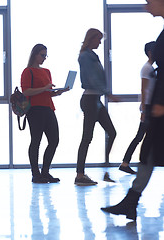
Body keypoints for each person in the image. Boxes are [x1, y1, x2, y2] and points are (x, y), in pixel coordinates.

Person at [101, 0, 164, 221]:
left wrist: (160, 102)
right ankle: (130, 202)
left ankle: (130, 202)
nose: (146, 7)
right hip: (157, 107)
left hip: (160, 107)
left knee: (149, 151)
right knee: (148, 153)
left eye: (149, 2)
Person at [21, 44, 69, 183]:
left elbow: (46, 93)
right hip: (35, 110)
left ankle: (45, 171)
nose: (44, 58)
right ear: (35, 55)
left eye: (45, 55)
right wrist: (44, 89)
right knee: (36, 141)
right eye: (42, 55)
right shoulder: (28, 71)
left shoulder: (47, 71)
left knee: (54, 140)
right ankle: (35, 174)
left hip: (48, 108)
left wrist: (57, 92)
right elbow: (26, 92)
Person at [74, 28, 117, 186]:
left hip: (96, 100)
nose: (100, 42)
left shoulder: (92, 55)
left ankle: (105, 169)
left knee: (112, 132)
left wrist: (105, 93)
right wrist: (108, 93)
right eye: (98, 39)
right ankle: (79, 175)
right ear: (90, 39)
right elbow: (92, 78)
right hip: (90, 99)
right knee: (87, 138)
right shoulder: (85, 56)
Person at [119, 41, 157, 175]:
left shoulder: (150, 68)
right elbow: (144, 89)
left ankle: (125, 163)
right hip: (148, 107)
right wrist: (144, 110)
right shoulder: (147, 68)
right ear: (151, 52)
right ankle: (126, 163)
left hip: (149, 106)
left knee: (140, 136)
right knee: (140, 136)